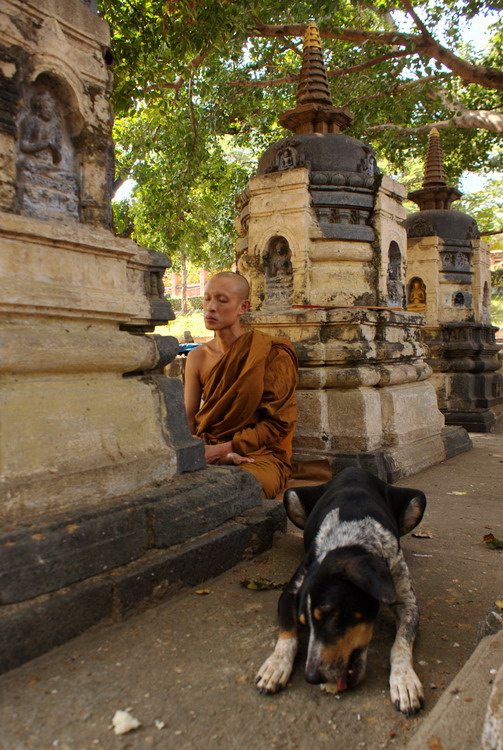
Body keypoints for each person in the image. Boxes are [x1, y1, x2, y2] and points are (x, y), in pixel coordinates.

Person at [184, 272, 298, 498]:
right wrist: (200, 452)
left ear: (243, 307)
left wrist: (225, 450)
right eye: (207, 299)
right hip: (207, 447)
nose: (211, 307)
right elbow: (189, 419)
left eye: (222, 300)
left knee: (241, 489)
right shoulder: (198, 357)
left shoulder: (271, 353)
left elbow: (278, 424)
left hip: (258, 454)